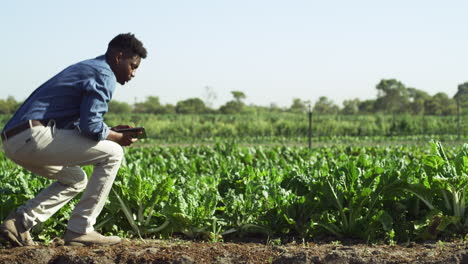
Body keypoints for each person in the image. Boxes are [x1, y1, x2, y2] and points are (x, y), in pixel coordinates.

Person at [0, 33, 147, 246]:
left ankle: (19, 223)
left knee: (75, 179)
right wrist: (116, 137)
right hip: (34, 137)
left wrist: (110, 131)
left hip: (15, 139)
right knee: (114, 153)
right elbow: (91, 127)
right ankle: (81, 229)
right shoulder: (104, 74)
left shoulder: (88, 68)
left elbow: (82, 126)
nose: (133, 74)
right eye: (133, 66)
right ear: (118, 57)